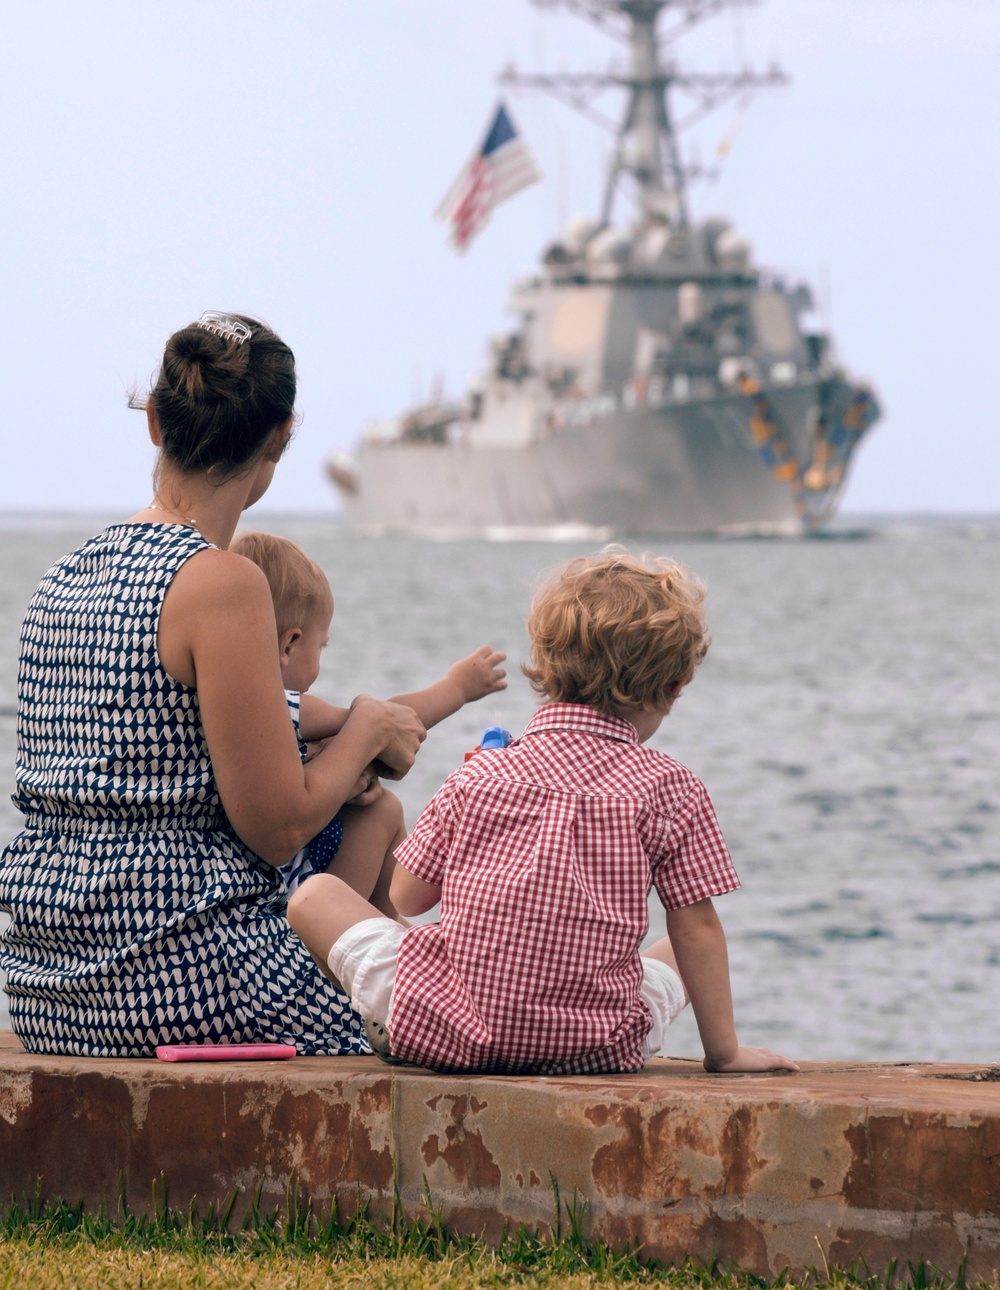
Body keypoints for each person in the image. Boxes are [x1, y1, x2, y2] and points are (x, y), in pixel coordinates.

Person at [0, 311, 428, 1056]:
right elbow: (277, 827)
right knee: (428, 1023)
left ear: (157, 423)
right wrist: (364, 728)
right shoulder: (221, 582)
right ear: (278, 438)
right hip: (179, 968)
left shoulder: (64, 575)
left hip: (48, 982)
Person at [289, 548, 800, 1076]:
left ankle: (390, 1023)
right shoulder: (671, 788)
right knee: (680, 944)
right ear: (673, 687)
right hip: (596, 1050)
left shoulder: (481, 773)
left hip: (446, 1032)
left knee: (314, 896)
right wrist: (725, 1054)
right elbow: (698, 929)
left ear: (546, 665)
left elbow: (406, 897)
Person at [229, 530, 506, 903]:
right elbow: (388, 722)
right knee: (382, 811)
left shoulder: (221, 703)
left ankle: (387, 927)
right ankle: (372, 935)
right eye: (321, 645)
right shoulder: (287, 706)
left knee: (372, 806)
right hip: (284, 900)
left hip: (252, 881)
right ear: (289, 644)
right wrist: (456, 688)